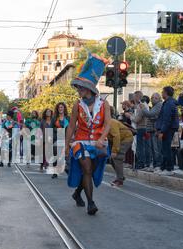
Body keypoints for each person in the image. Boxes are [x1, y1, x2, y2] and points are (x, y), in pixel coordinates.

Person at [65, 53, 111, 215]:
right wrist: (66, 147)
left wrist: (101, 138)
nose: (78, 90)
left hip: (99, 143)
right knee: (86, 168)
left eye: (80, 88)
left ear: (89, 89)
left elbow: (108, 124)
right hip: (80, 142)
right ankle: (91, 203)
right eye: (77, 87)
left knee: (90, 171)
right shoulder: (77, 105)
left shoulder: (104, 104)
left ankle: (78, 193)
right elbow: (71, 127)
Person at [155, 86, 179, 176]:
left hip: (168, 129)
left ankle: (169, 168)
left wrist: (162, 131)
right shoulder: (168, 102)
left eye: (162, 92)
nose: (161, 93)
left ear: (166, 93)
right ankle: (163, 167)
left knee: (167, 149)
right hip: (168, 129)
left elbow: (167, 119)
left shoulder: (169, 104)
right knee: (165, 149)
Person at [124, 91, 148, 170]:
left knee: (140, 147)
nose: (133, 99)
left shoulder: (142, 106)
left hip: (141, 128)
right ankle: (140, 162)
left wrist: (129, 116)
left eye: (134, 97)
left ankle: (141, 163)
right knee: (139, 146)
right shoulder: (139, 105)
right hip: (140, 127)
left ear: (137, 97)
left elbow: (137, 119)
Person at [108, 115, 134, 187]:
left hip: (126, 138)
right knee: (111, 160)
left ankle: (120, 180)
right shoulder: (104, 123)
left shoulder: (111, 122)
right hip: (120, 140)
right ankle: (120, 176)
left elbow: (116, 136)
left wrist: (114, 151)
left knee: (117, 158)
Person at [140, 93, 163, 172]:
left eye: (155, 98)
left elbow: (151, 114)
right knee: (153, 149)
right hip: (152, 130)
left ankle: (158, 165)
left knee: (156, 149)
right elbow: (151, 116)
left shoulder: (159, 105)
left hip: (155, 130)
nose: (153, 99)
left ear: (159, 99)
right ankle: (154, 164)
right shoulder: (154, 106)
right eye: (152, 97)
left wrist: (143, 109)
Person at [51, 102, 70, 178]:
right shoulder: (54, 118)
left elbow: (71, 128)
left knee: (66, 156)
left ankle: (68, 170)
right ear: (57, 109)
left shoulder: (68, 118)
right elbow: (51, 128)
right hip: (57, 138)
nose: (60, 109)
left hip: (66, 139)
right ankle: (55, 172)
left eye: (62, 107)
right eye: (59, 107)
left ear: (64, 108)